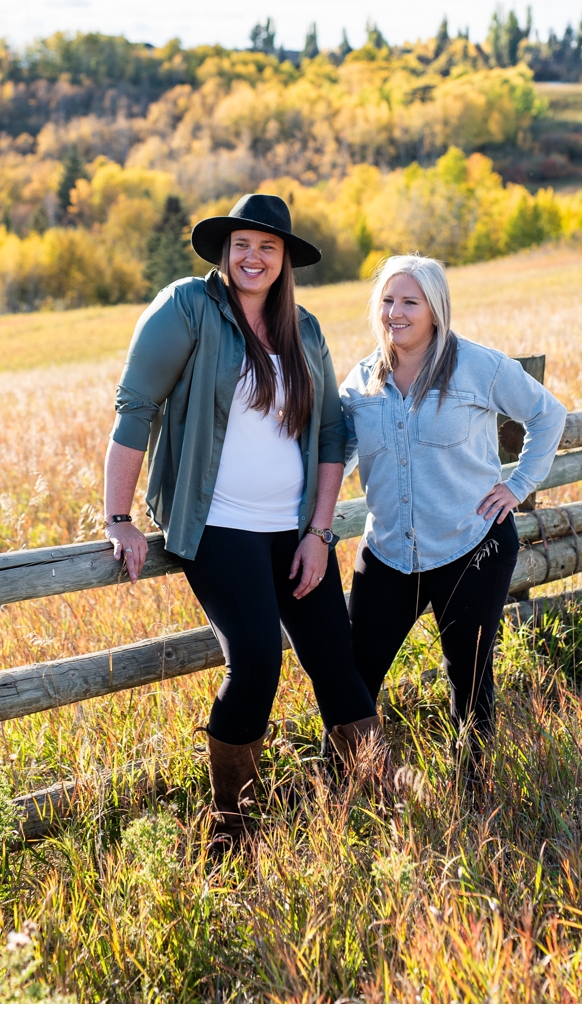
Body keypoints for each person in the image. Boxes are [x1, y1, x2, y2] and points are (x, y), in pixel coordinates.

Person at [104, 193, 377, 849]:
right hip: (218, 524)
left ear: (285, 260)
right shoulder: (188, 309)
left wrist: (318, 532)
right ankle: (232, 824)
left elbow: (334, 435)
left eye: (268, 247)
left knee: (337, 660)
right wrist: (118, 515)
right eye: (243, 244)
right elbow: (135, 406)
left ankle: (375, 787)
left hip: (294, 527)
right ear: (226, 251)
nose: (253, 257)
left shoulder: (303, 330)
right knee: (256, 659)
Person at [339, 254, 566, 773]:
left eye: (409, 302)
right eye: (388, 301)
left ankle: (474, 786)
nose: (396, 312)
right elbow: (337, 454)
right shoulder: (360, 383)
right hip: (389, 552)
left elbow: (547, 414)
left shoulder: (476, 366)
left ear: (435, 310)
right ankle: (353, 783)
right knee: (352, 675)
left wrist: (519, 486)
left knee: (468, 672)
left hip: (472, 546)